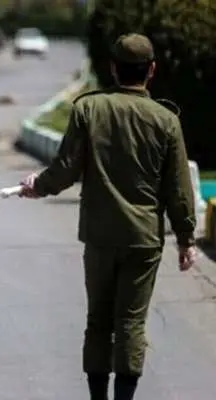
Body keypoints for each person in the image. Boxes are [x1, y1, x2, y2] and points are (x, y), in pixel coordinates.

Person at [16, 33, 197, 400]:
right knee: (130, 322)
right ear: (151, 70)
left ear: (113, 69)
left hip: (99, 237)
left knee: (98, 320)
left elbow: (66, 168)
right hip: (143, 239)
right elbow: (178, 189)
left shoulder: (88, 109)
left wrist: (38, 186)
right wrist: (186, 238)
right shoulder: (166, 120)